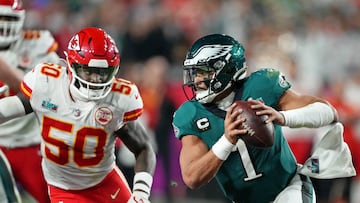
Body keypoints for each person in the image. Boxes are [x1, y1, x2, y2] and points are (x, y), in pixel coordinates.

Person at [172, 34, 355, 203]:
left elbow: (328, 112)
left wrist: (282, 117)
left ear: (226, 68)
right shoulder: (190, 114)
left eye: (204, 72)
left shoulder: (261, 85)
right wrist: (227, 140)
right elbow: (191, 178)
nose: (196, 81)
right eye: (195, 73)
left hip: (288, 187)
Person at [0, 27, 156, 203]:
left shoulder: (120, 99)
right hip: (66, 190)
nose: (95, 80)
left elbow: (143, 147)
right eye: (88, 71)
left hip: (106, 182)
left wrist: (141, 193)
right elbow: (9, 108)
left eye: (102, 73)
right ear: (71, 65)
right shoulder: (47, 85)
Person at [0, 0, 60, 202]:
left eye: (7, 18)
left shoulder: (38, 44)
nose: (2, 23)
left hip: (30, 142)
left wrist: (9, 74)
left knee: (51, 197)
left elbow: (50, 91)